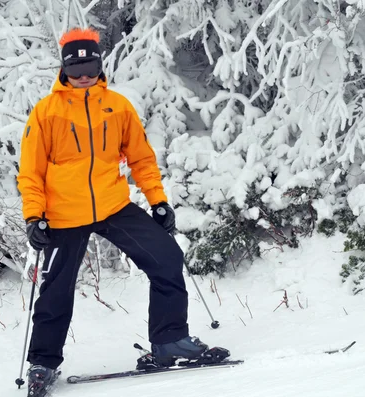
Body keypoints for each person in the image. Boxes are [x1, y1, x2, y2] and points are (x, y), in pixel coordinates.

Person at [16, 27, 224, 395]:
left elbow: (141, 159)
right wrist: (34, 216)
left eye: (90, 67)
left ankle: (170, 341)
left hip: (113, 205)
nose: (83, 77)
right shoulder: (46, 112)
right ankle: (43, 364)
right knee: (56, 292)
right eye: (75, 70)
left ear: (99, 65)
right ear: (64, 70)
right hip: (64, 214)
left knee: (166, 258)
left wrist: (158, 200)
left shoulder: (118, 106)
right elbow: (30, 171)